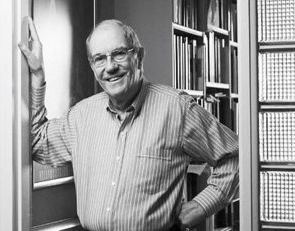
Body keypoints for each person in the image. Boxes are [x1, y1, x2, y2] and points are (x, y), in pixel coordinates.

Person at [19, 17, 239, 231]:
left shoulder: (177, 109)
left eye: (119, 54)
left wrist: (199, 208)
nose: (110, 67)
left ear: (139, 56)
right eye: (100, 59)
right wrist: (37, 75)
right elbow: (38, 143)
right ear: (92, 66)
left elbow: (235, 157)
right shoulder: (81, 116)